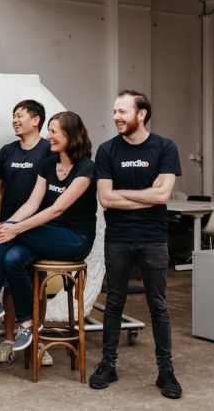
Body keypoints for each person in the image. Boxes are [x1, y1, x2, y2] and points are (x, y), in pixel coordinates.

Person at [0, 111, 97, 356]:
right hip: (48, 234)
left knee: (11, 233)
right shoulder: (48, 164)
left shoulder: (85, 168)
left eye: (54, 131)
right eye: (50, 131)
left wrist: (14, 229)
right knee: (12, 258)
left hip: (75, 239)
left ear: (71, 135)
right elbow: (32, 204)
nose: (49, 136)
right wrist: (8, 224)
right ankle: (27, 324)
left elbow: (57, 209)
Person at [88, 90, 182, 399]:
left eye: (122, 112)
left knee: (158, 305)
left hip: (153, 238)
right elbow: (105, 199)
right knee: (114, 302)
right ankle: (108, 364)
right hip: (118, 238)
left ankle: (165, 371)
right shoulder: (106, 150)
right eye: (114, 111)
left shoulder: (165, 147)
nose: (116, 116)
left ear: (140, 114)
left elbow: (162, 197)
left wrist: (124, 194)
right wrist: (146, 193)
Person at [0, 100, 52, 364]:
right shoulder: (7, 152)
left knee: (38, 284)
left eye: (19, 116)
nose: (14, 120)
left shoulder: (49, 150)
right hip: (9, 228)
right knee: (11, 284)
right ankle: (9, 340)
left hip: (39, 228)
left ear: (35, 120)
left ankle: (37, 342)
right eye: (13, 116)